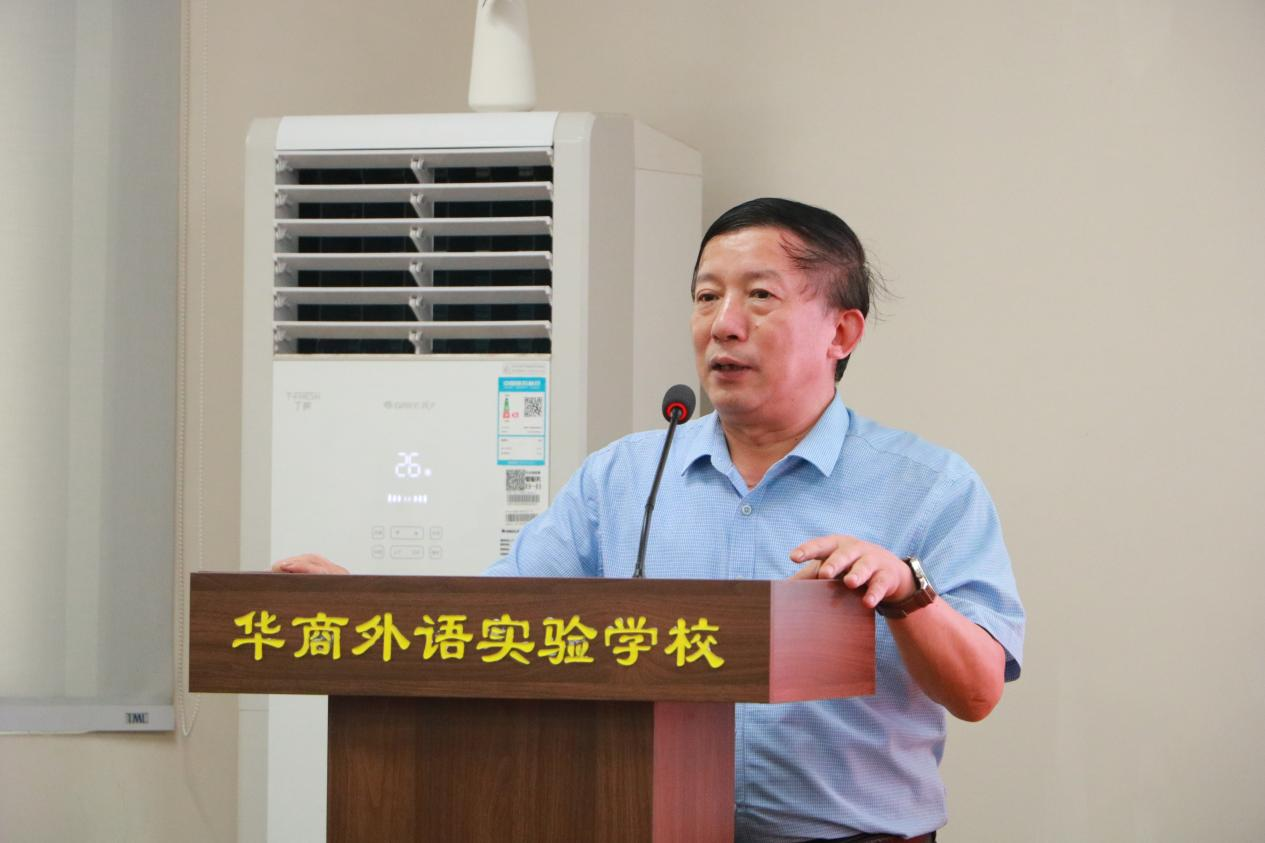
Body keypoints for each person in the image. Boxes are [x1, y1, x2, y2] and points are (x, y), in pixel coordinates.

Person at [276, 197, 1025, 842]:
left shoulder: (927, 484)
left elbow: (976, 693)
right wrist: (364, 607)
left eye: (759, 296)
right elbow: (498, 624)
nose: (722, 325)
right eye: (706, 296)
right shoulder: (627, 475)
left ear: (842, 333)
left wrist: (906, 592)